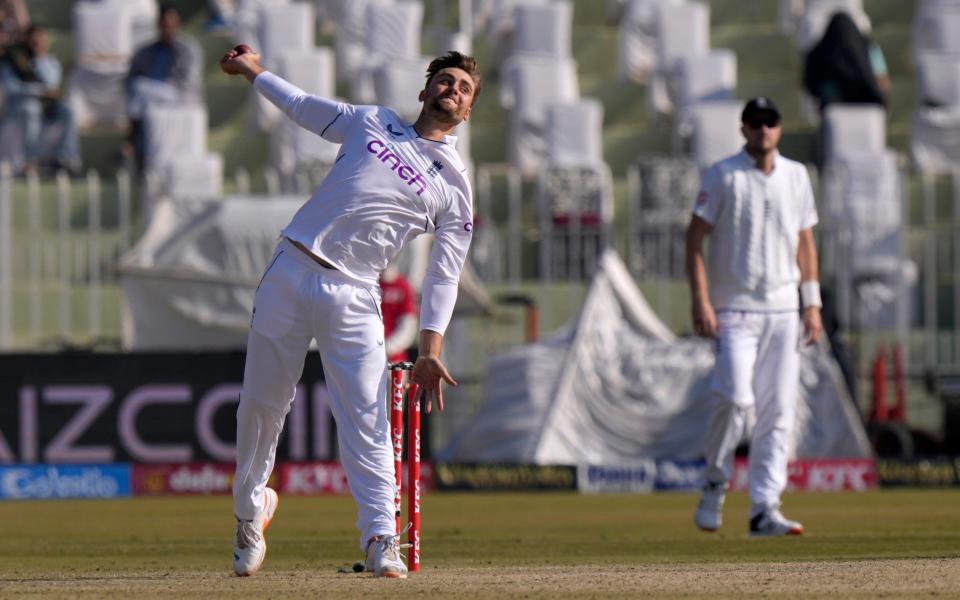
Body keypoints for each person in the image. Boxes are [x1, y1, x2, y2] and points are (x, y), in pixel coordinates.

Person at [219, 46, 480, 578]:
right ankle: (251, 514)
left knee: (366, 418)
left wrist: (430, 348)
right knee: (261, 407)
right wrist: (252, 70)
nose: (452, 89)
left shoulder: (454, 185)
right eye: (445, 81)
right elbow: (301, 106)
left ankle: (382, 538)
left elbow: (443, 274)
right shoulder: (372, 122)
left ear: (468, 109)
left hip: (357, 293)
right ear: (424, 90)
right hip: (292, 267)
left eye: (464, 88)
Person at [685, 97, 823, 537]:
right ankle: (714, 483)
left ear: (779, 129)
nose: (764, 129)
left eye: (771, 121)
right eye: (756, 122)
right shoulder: (723, 175)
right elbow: (694, 239)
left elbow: (805, 243)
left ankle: (765, 508)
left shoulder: (797, 176)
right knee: (734, 398)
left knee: (778, 410)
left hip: (784, 310)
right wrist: (701, 301)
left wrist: (812, 303)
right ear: (744, 129)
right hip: (735, 310)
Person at [124, 4, 202, 171]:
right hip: (151, 101)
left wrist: (158, 88)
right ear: (158, 26)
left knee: (140, 89)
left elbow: (189, 81)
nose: (168, 30)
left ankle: (130, 138)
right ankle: (139, 154)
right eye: (165, 26)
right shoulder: (146, 51)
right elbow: (131, 75)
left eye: (172, 26)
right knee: (139, 92)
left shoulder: (188, 49)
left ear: (178, 26)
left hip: (180, 95)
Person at [0, 25, 81, 175]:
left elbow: (51, 85)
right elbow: (13, 88)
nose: (37, 44)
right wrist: (38, 90)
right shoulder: (13, 60)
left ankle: (63, 157)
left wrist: (38, 62)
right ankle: (30, 160)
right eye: (34, 41)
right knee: (31, 110)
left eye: (41, 40)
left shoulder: (51, 63)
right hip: (19, 104)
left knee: (68, 111)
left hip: (47, 105)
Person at [803, 11, 888, 113]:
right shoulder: (869, 47)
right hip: (867, 104)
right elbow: (882, 80)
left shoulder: (820, 51)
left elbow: (809, 83)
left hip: (833, 106)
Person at [380, 264, 418, 364]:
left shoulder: (402, 286)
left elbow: (408, 326)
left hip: (394, 361)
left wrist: (387, 348)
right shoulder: (369, 284)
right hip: (367, 357)